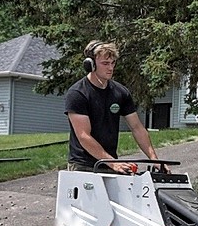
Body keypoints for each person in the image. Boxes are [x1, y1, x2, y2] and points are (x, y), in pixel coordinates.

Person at [64, 40, 163, 173]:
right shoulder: (78, 93)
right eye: (105, 63)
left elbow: (137, 128)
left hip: (110, 163)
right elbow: (83, 136)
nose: (110, 68)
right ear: (91, 65)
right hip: (83, 166)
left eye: (113, 63)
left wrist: (154, 159)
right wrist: (113, 163)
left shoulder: (120, 92)